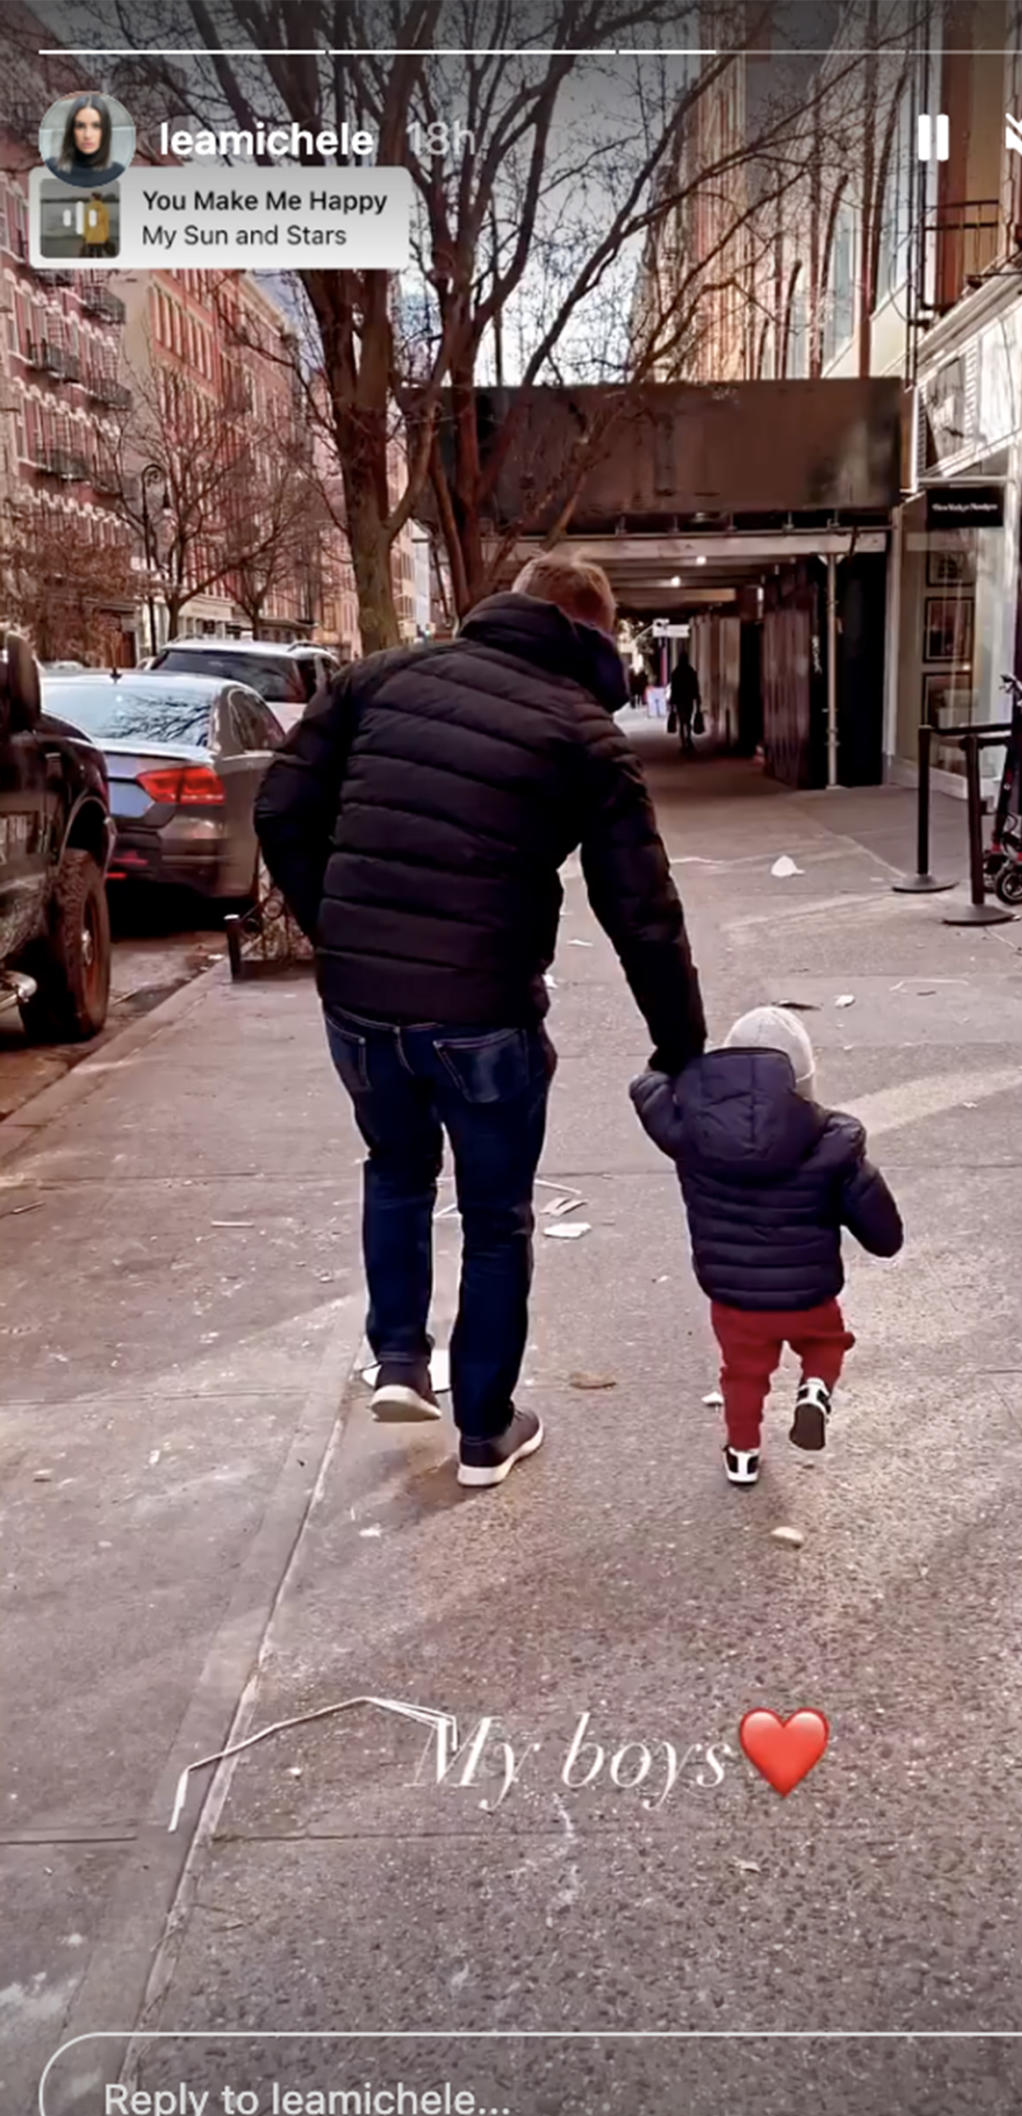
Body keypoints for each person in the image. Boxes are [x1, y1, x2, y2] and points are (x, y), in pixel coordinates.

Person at [255, 553, 706, 1490]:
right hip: (485, 1013)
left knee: (396, 1169)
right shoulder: (584, 733)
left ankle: (400, 1361)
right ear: (587, 631)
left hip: (362, 1006)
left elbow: (281, 807)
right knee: (496, 1218)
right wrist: (680, 1041)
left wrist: (337, 930)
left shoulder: (380, 676)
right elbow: (642, 908)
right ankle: (484, 1431)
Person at [630, 1005, 902, 1486]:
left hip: (733, 1298)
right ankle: (815, 1388)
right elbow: (884, 1236)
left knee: (742, 1373)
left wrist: (678, 1064)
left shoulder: (693, 1135)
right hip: (809, 1294)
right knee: (825, 1343)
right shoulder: (833, 1142)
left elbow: (647, 1089)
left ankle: (742, 1455)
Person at [51, 96, 127, 187]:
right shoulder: (51, 168)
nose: (87, 135)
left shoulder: (118, 172)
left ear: (105, 130)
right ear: (71, 130)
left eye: (96, 126)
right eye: (80, 126)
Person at [667, 645, 701, 752]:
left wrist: (672, 703)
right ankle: (689, 739)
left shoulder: (676, 673)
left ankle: (683, 742)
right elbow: (695, 686)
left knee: (682, 722)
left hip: (680, 700)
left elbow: (674, 688)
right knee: (688, 720)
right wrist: (697, 699)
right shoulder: (691, 672)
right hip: (688, 699)